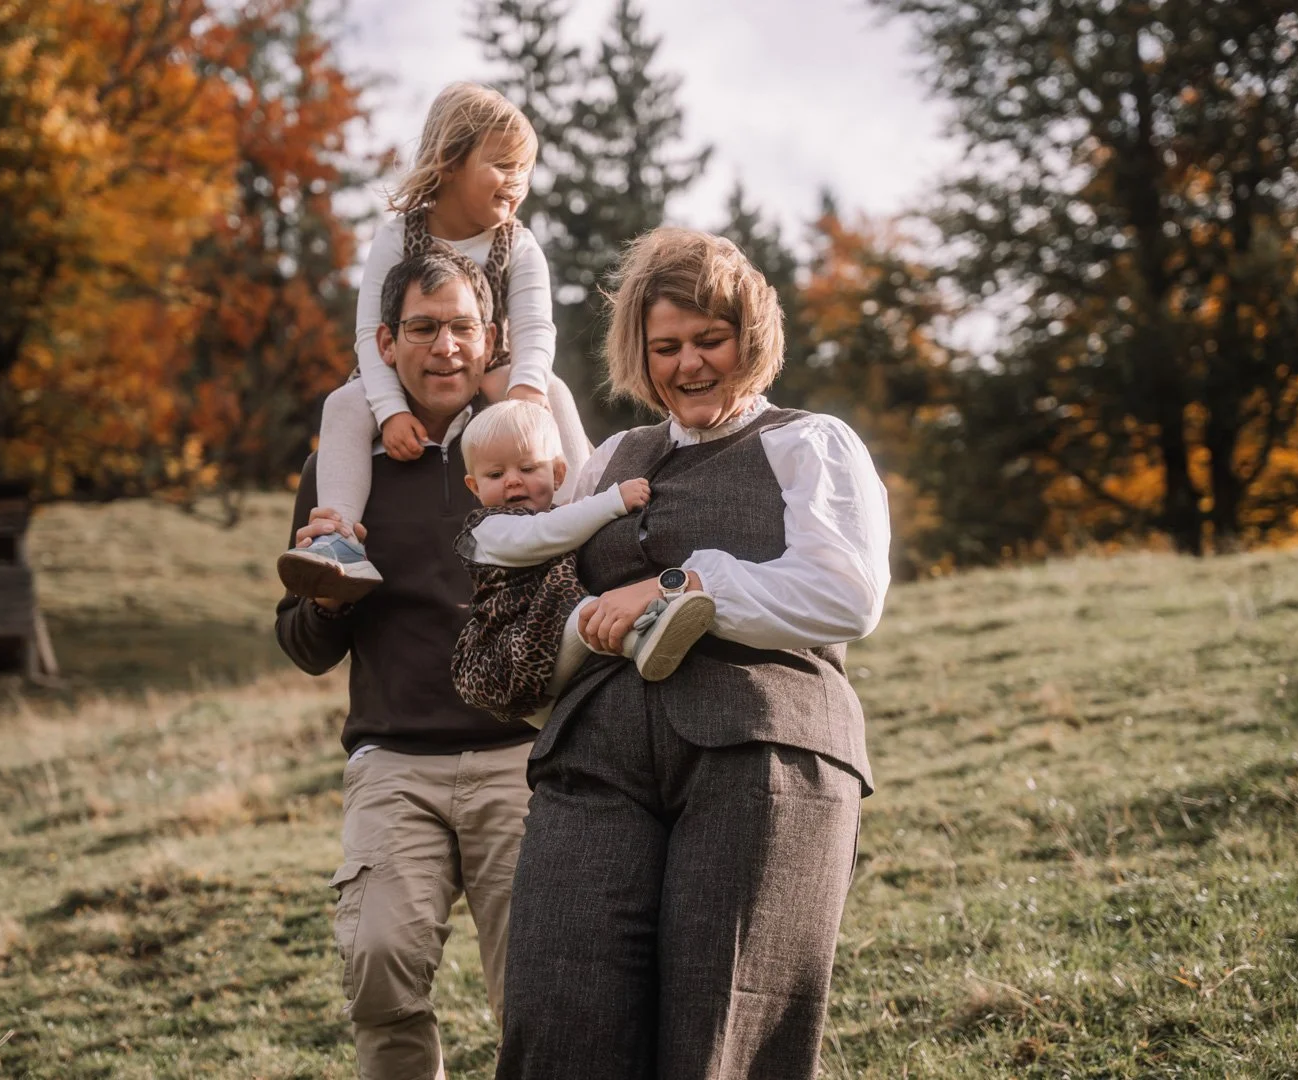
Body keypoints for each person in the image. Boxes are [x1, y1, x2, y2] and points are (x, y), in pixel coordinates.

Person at [494, 228, 893, 1080]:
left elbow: (847, 595)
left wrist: (683, 586)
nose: (688, 365)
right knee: (555, 1018)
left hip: (764, 752)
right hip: (594, 761)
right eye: (665, 346)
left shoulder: (809, 443)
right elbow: (537, 578)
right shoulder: (611, 458)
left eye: (709, 340)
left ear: (751, 338)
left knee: (723, 1033)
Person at [275, 246, 538, 1079]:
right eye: (423, 329)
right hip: (394, 761)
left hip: (523, 758)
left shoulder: (526, 454)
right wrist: (325, 596)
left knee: (538, 988)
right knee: (379, 964)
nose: (445, 347)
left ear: (491, 336)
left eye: (462, 327)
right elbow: (304, 645)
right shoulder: (344, 468)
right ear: (386, 343)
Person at [278, 81, 590, 603]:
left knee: (555, 392)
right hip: (400, 373)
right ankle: (337, 541)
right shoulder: (399, 236)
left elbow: (536, 329)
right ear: (450, 161)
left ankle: (588, 517)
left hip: (497, 367)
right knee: (343, 404)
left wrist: (526, 393)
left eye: (524, 170)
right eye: (503, 165)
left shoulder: (519, 243)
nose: (518, 182)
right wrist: (390, 410)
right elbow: (368, 334)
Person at [450, 399, 717, 728]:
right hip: (511, 651)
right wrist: (612, 501)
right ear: (474, 486)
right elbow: (546, 533)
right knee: (584, 612)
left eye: (528, 468)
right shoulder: (487, 528)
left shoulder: (562, 514)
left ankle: (651, 629)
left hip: (552, 663)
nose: (512, 481)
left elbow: (564, 524)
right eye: (495, 474)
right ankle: (643, 638)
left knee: (582, 616)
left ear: (558, 473)